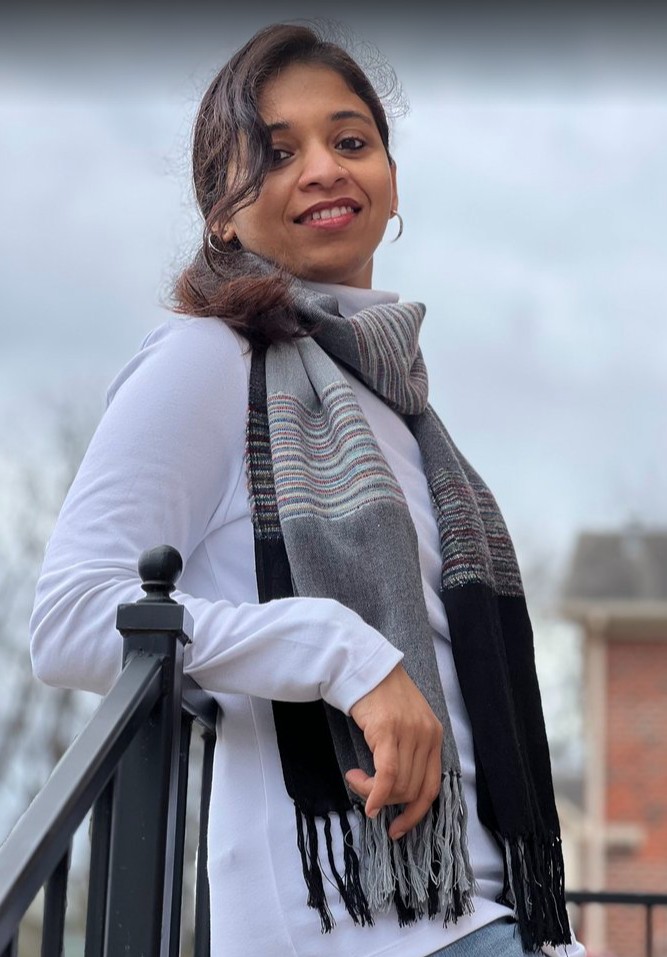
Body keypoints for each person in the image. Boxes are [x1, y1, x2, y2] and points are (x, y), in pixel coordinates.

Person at [30, 22, 585, 957]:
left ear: (391, 181)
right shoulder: (209, 359)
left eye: (351, 140)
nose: (324, 168)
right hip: (348, 918)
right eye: (278, 153)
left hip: (484, 911)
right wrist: (339, 649)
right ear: (221, 213)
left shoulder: (406, 409)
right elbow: (72, 618)